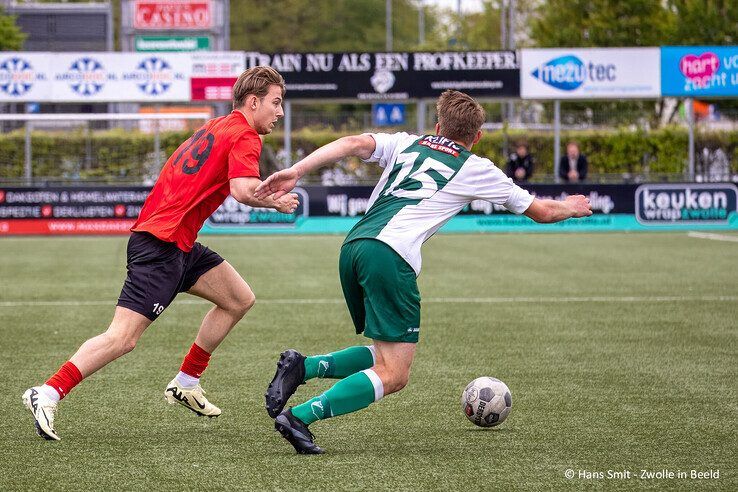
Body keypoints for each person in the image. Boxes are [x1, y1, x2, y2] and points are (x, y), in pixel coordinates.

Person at [254, 90, 592, 454]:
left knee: (385, 355)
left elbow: (352, 142)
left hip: (354, 246)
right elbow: (540, 211)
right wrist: (571, 206)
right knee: (395, 374)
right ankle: (301, 416)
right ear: (477, 137)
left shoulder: (407, 143)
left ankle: (302, 367)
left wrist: (296, 170)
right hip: (390, 256)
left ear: (437, 126)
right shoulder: (476, 167)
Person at [22, 66, 299, 441]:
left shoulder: (218, 125)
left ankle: (186, 381)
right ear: (253, 102)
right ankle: (50, 391)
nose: (280, 112)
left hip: (176, 242)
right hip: (161, 244)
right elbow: (243, 189)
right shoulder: (246, 135)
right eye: (276, 102)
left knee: (238, 299)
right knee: (122, 338)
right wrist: (278, 202)